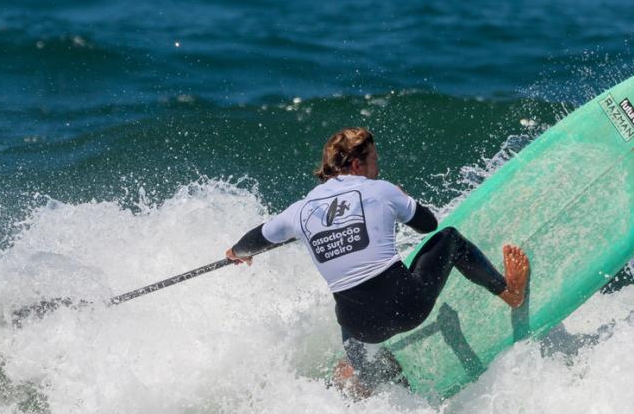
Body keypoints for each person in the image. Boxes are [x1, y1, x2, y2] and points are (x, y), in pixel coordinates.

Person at [226, 127, 529, 392]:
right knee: (450, 238)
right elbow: (429, 225)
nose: (377, 169)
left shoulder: (298, 212)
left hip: (362, 327)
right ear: (357, 164)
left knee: (348, 302)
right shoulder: (380, 190)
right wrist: (402, 196)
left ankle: (365, 378)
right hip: (408, 307)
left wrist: (237, 254)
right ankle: (510, 293)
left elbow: (254, 240)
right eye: (374, 162)